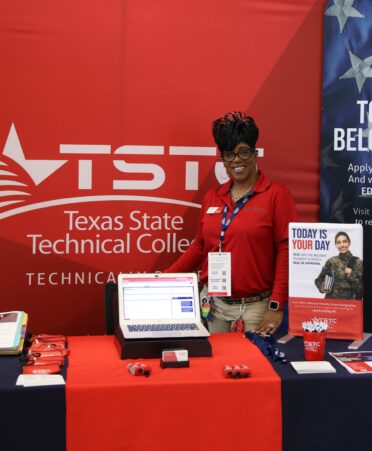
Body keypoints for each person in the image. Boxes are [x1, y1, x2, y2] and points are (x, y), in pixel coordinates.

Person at [164, 111, 298, 334]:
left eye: (243, 152)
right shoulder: (212, 196)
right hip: (212, 305)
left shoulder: (277, 195)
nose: (236, 160)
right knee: (212, 366)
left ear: (255, 154)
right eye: (229, 154)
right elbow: (200, 246)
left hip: (254, 310)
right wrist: (165, 278)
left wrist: (276, 304)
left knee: (252, 367)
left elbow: (286, 251)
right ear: (223, 160)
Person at [315, 231, 363, 300]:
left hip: (350, 306)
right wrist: (322, 288)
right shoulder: (331, 261)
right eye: (338, 242)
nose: (342, 245)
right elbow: (318, 280)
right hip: (332, 305)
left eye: (344, 241)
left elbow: (361, 291)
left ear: (349, 242)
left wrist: (351, 275)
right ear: (336, 245)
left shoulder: (358, 262)